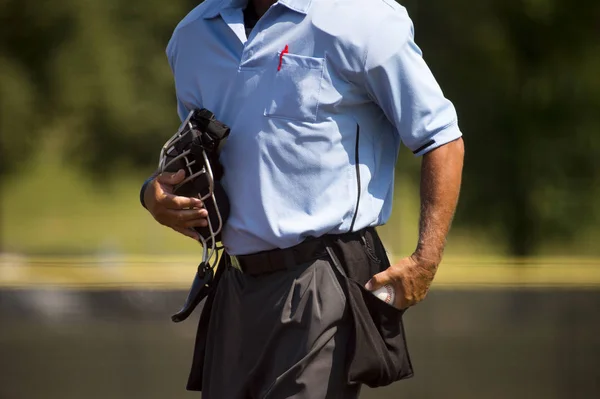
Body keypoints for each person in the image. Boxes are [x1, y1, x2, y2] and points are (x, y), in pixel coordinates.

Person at [141, 0, 465, 397]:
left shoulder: (364, 19)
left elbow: (443, 140)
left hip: (321, 277)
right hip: (234, 285)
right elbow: (194, 156)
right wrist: (152, 195)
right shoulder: (193, 34)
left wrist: (425, 260)